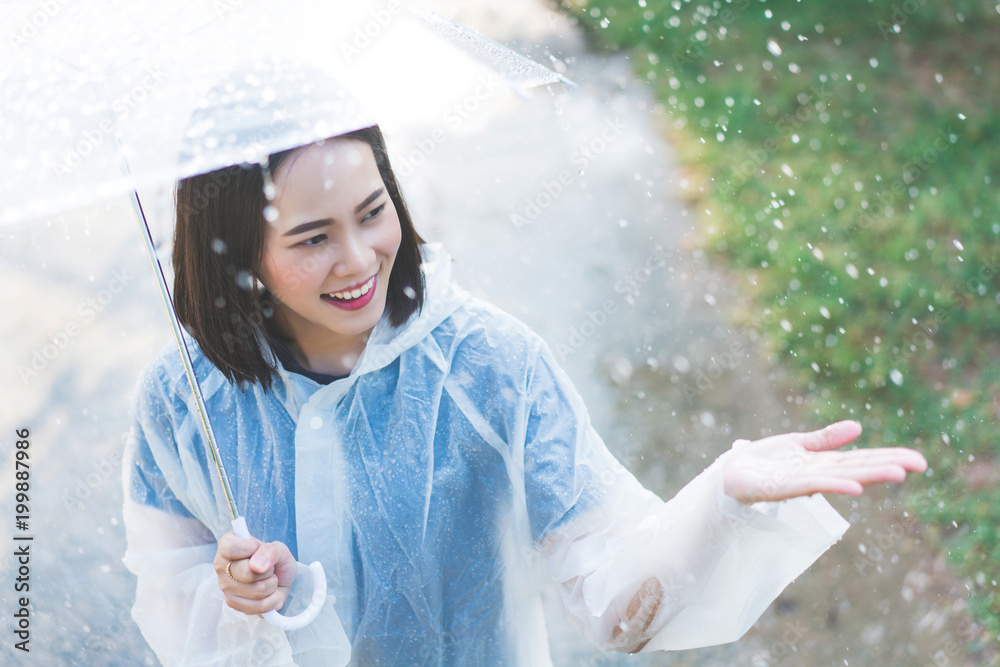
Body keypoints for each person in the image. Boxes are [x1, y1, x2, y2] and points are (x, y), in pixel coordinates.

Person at [122, 124, 927, 666]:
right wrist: (235, 598)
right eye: (311, 238)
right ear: (238, 252)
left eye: (374, 213)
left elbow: (619, 604)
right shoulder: (183, 399)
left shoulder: (489, 367)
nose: (361, 258)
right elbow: (167, 592)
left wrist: (720, 501)